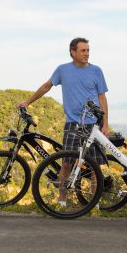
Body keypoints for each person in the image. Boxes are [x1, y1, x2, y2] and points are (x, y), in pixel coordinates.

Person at [19, 37, 109, 204]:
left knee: (95, 167)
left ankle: (94, 203)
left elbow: (102, 98)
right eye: (83, 50)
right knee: (66, 163)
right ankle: (62, 200)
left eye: (88, 50)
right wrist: (28, 102)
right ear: (72, 52)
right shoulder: (62, 70)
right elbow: (47, 86)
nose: (87, 54)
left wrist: (105, 124)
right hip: (73, 123)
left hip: (94, 124)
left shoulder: (97, 71)